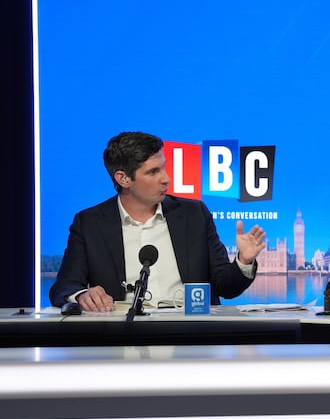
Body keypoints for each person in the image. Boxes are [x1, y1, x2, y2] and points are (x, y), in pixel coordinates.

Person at [49, 131, 266, 312]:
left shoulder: (194, 214)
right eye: (153, 172)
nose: (166, 178)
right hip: (122, 335)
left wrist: (243, 262)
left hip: (192, 335)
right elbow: (64, 286)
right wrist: (82, 296)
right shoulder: (90, 223)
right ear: (123, 178)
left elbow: (225, 287)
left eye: (163, 167)